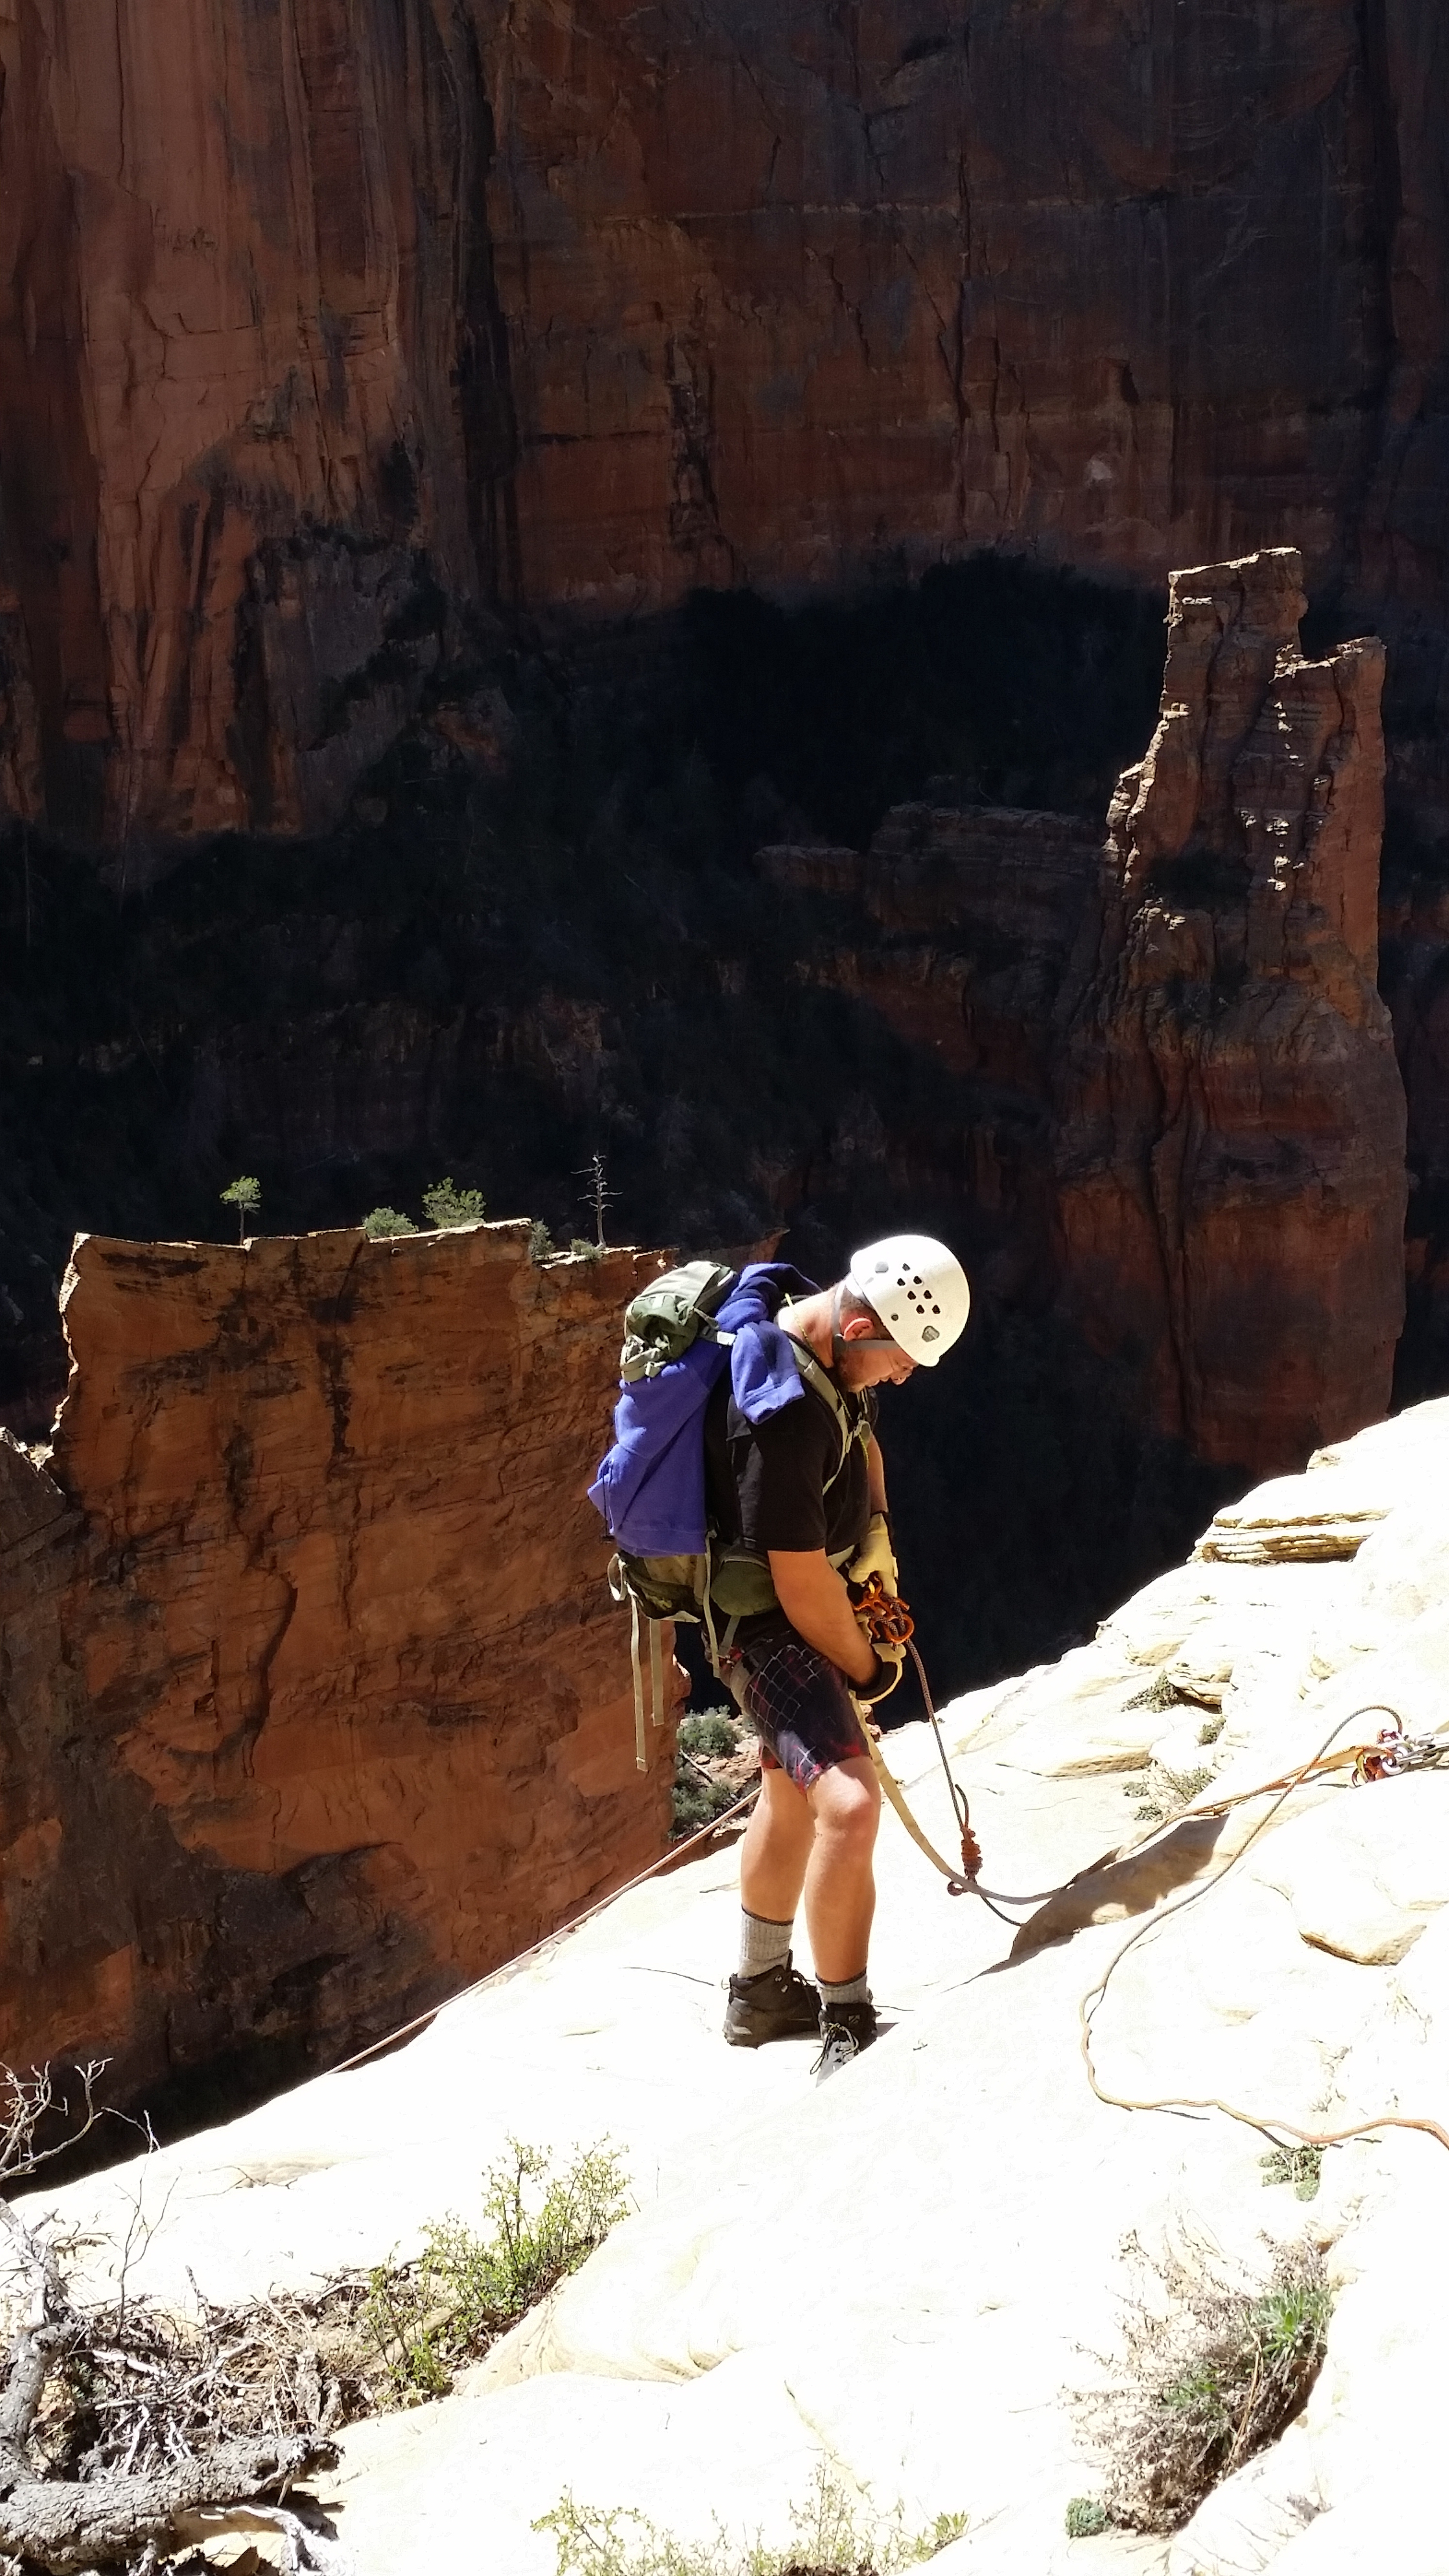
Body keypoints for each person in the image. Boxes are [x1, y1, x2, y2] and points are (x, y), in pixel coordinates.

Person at [705, 1235, 972, 2080]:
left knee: (791, 1798)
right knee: (850, 1805)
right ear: (859, 1323)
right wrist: (869, 1666)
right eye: (898, 1360)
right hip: (769, 1628)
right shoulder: (782, 1415)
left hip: (809, 1604)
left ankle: (758, 1996)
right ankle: (846, 2022)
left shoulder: (833, 1355)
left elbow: (866, 1448)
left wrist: (879, 1536)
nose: (904, 1377)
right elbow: (797, 1586)